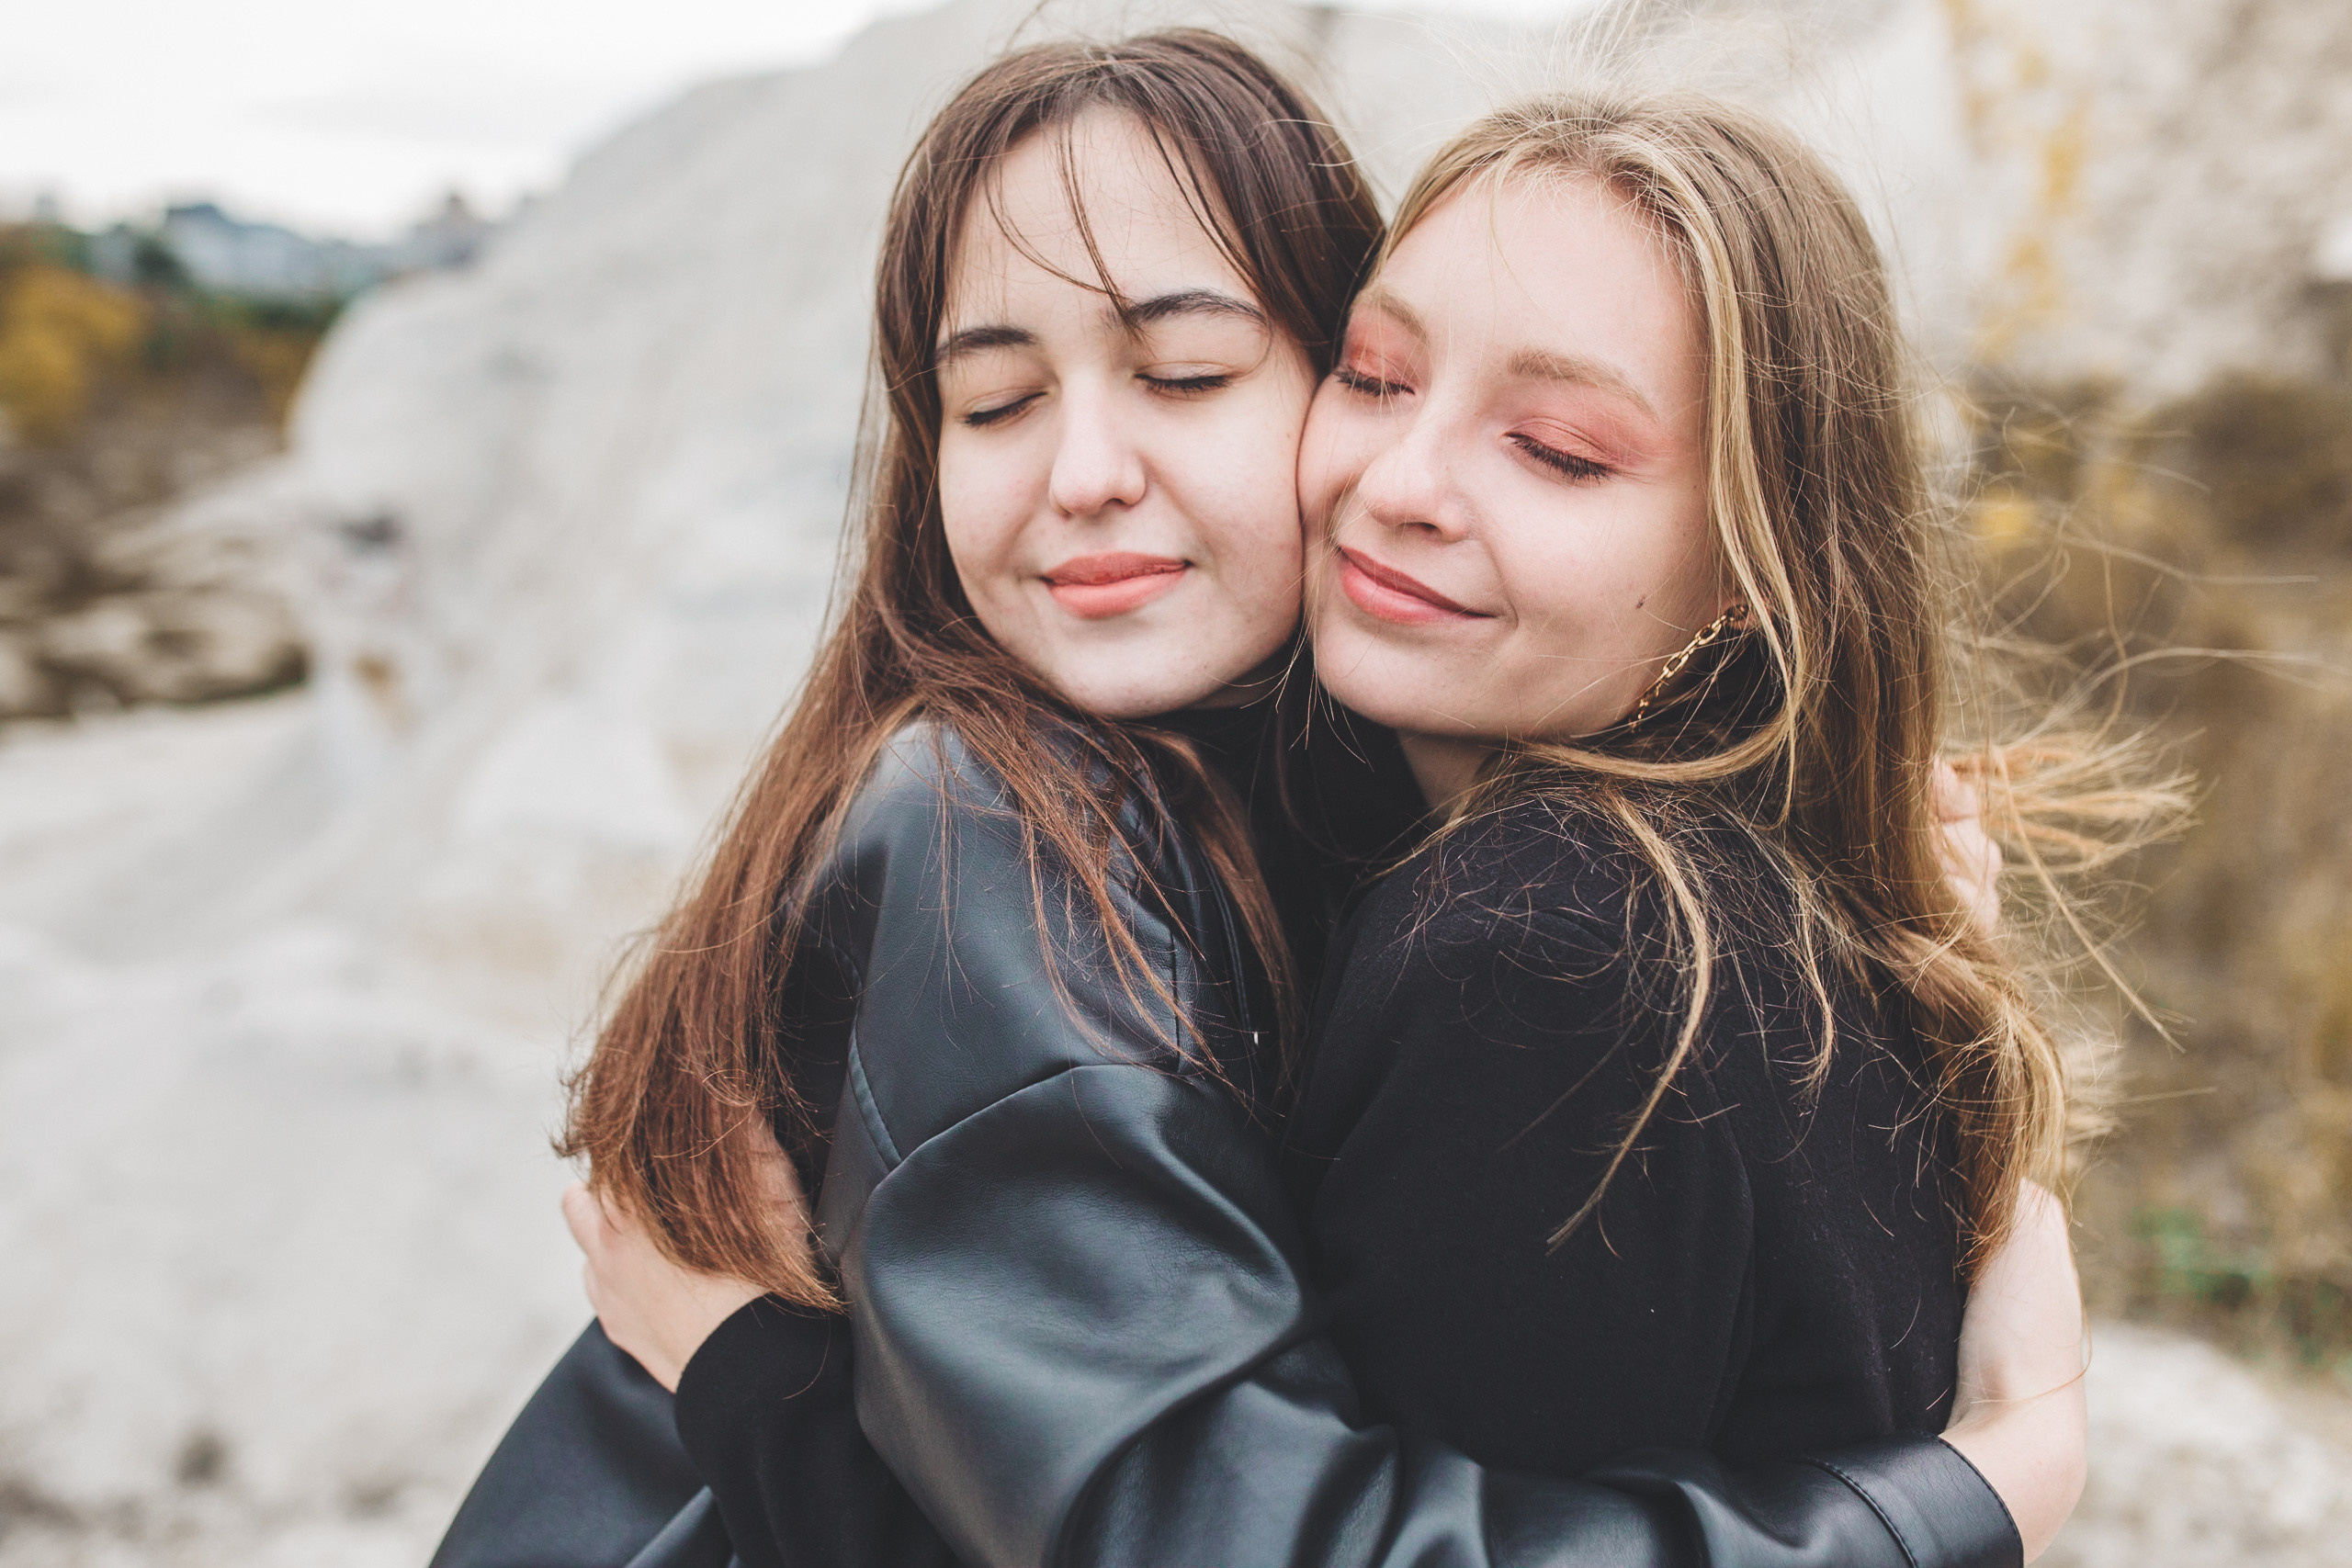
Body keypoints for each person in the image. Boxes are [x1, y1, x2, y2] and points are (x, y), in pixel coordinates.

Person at [440, 32, 2085, 1568]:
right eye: (994, 401)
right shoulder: (992, 835)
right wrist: (1971, 1491)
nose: (1080, 468)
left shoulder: (1467, 863)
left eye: (1186, 374)